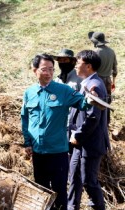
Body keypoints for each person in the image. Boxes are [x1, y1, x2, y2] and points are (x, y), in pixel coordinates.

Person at [21, 54, 95, 210]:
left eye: (51, 69)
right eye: (44, 69)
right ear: (35, 71)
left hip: (58, 152)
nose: (48, 73)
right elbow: (25, 119)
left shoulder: (63, 90)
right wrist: (27, 143)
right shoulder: (29, 93)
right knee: (41, 192)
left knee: (59, 193)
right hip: (38, 152)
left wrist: (90, 99)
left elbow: (83, 103)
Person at [67, 50, 110, 210]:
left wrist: (78, 134)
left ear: (89, 66)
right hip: (81, 143)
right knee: (75, 177)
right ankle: (72, 207)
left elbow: (93, 117)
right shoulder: (87, 83)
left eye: (79, 63)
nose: (76, 66)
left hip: (90, 144)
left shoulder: (95, 86)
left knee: (88, 181)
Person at [88, 31, 117, 124]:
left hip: (97, 81)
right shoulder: (111, 52)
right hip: (108, 80)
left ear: (95, 42)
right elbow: (115, 69)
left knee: (96, 102)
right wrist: (113, 82)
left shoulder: (95, 53)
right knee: (107, 101)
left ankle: (97, 122)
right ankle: (106, 121)